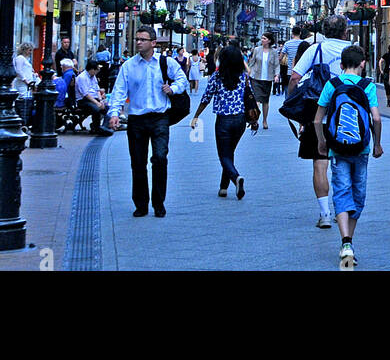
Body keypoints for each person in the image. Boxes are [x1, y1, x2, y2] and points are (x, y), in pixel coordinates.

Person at [315, 45, 383, 267]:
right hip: (361, 149)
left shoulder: (332, 84)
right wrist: (378, 144)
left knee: (341, 190)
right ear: (363, 64)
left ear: (341, 65)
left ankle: (345, 243)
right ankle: (350, 240)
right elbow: (377, 119)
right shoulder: (367, 86)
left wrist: (322, 142)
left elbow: (318, 120)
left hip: (337, 148)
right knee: (358, 194)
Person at [108, 27, 187, 217]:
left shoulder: (165, 62)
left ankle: (159, 203)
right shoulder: (128, 66)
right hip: (137, 119)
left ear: (153, 43)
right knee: (138, 162)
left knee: (160, 158)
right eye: (137, 39)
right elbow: (119, 91)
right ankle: (141, 204)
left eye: (143, 39)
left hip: (160, 117)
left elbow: (182, 80)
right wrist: (114, 113)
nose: (138, 42)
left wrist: (173, 88)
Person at [288, 15, 353, 229]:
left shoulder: (316, 49)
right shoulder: (354, 50)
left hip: (319, 116)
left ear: (324, 31)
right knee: (344, 165)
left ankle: (325, 213)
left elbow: (295, 77)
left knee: (320, 163)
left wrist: (293, 103)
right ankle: (341, 210)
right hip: (347, 118)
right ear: (345, 31)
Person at [190, 45, 251, 200]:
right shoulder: (243, 76)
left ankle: (236, 178)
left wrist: (196, 115)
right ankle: (223, 188)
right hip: (240, 119)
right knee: (229, 152)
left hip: (224, 120)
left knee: (223, 155)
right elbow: (248, 96)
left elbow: (206, 98)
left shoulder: (217, 78)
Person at [248, 31, 281, 130]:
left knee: (265, 101)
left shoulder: (274, 52)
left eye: (264, 38)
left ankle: (265, 120)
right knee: (257, 99)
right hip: (256, 77)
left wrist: (276, 75)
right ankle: (255, 119)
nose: (262, 40)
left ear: (269, 41)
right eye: (262, 38)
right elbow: (252, 62)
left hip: (267, 78)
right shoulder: (257, 50)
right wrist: (248, 72)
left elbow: (276, 65)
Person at [75, 58, 113, 136]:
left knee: (108, 108)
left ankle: (104, 127)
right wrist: (97, 103)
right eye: (96, 70)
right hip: (84, 100)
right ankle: (96, 127)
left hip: (94, 98)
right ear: (92, 69)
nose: (97, 72)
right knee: (96, 109)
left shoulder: (93, 77)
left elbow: (97, 89)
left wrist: (100, 100)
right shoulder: (82, 78)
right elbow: (85, 94)